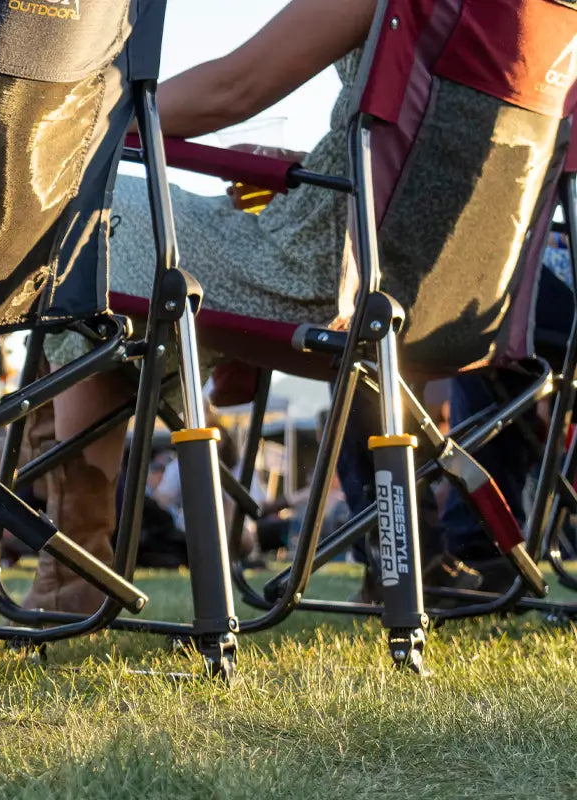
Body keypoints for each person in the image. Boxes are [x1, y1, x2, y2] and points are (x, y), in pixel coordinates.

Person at [35, 0, 569, 611]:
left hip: (321, 279)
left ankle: (73, 566)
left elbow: (235, 87)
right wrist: (309, 169)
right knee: (141, 249)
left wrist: (79, 134)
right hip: (452, 303)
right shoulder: (551, 17)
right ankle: (76, 556)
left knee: (104, 217)